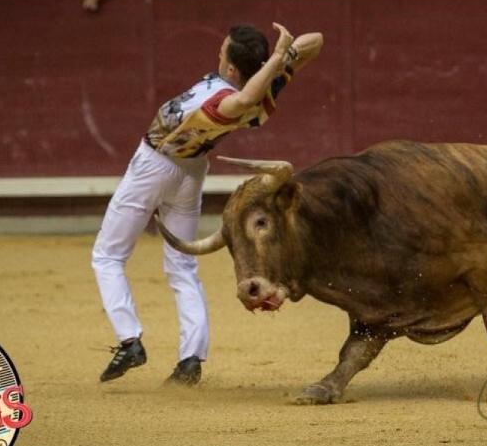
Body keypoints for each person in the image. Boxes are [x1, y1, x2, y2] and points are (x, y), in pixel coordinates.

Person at [93, 22, 324, 385]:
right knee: (182, 266)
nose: (218, 53)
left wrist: (279, 55)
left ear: (232, 68)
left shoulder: (229, 101)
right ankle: (190, 360)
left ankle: (129, 339)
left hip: (153, 165)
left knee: (107, 256)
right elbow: (317, 41)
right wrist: (282, 59)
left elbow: (242, 100)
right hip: (191, 170)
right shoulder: (264, 86)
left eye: (222, 50)